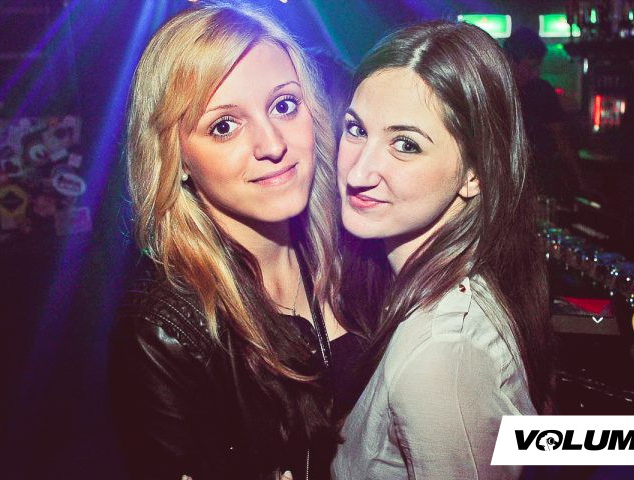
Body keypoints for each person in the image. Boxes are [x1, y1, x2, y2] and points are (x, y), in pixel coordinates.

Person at [108, 4, 365, 479]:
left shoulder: (358, 253)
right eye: (224, 126)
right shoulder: (165, 332)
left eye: (284, 105)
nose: (272, 144)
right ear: (177, 159)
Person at [331, 20, 553, 479]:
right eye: (356, 130)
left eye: (405, 144)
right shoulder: (427, 286)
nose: (358, 172)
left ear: (475, 173)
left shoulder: (440, 356)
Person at [504, 27, 582, 200]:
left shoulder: (542, 91)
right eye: (531, 66)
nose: (536, 73)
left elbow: (561, 138)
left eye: (537, 66)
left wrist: (579, 179)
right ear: (511, 61)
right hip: (512, 182)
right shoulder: (496, 92)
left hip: (540, 179)